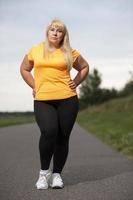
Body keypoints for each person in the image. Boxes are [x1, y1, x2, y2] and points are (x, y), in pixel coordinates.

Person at [20, 18, 89, 190]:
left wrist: (76, 82)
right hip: (43, 99)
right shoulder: (35, 50)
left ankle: (57, 174)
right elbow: (24, 69)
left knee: (63, 137)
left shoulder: (69, 52)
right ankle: (44, 174)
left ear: (63, 35)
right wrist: (34, 85)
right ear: (48, 32)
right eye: (52, 29)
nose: (55, 33)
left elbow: (85, 67)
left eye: (59, 31)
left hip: (68, 98)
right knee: (49, 132)